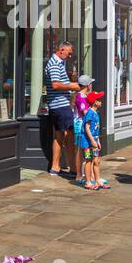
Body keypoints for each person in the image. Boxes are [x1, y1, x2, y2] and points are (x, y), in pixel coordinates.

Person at [44, 39, 79, 177]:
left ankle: (55, 167)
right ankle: (73, 169)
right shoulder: (54, 64)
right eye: (69, 53)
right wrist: (74, 86)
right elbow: (55, 85)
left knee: (59, 136)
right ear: (62, 50)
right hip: (60, 105)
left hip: (58, 105)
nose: (70, 56)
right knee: (70, 136)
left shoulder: (58, 63)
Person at [79, 92, 108, 191]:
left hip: (94, 140)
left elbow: (95, 129)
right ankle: (88, 182)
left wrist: (98, 141)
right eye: (99, 100)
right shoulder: (89, 113)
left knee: (96, 160)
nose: (101, 102)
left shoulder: (96, 113)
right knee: (88, 160)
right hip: (87, 142)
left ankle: (98, 180)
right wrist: (92, 141)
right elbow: (86, 128)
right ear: (95, 102)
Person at [73, 74, 93, 184]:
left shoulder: (85, 96)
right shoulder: (80, 97)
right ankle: (79, 175)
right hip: (80, 125)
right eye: (90, 83)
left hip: (85, 125)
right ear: (87, 85)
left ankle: (86, 173)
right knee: (79, 150)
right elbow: (85, 113)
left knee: (84, 149)